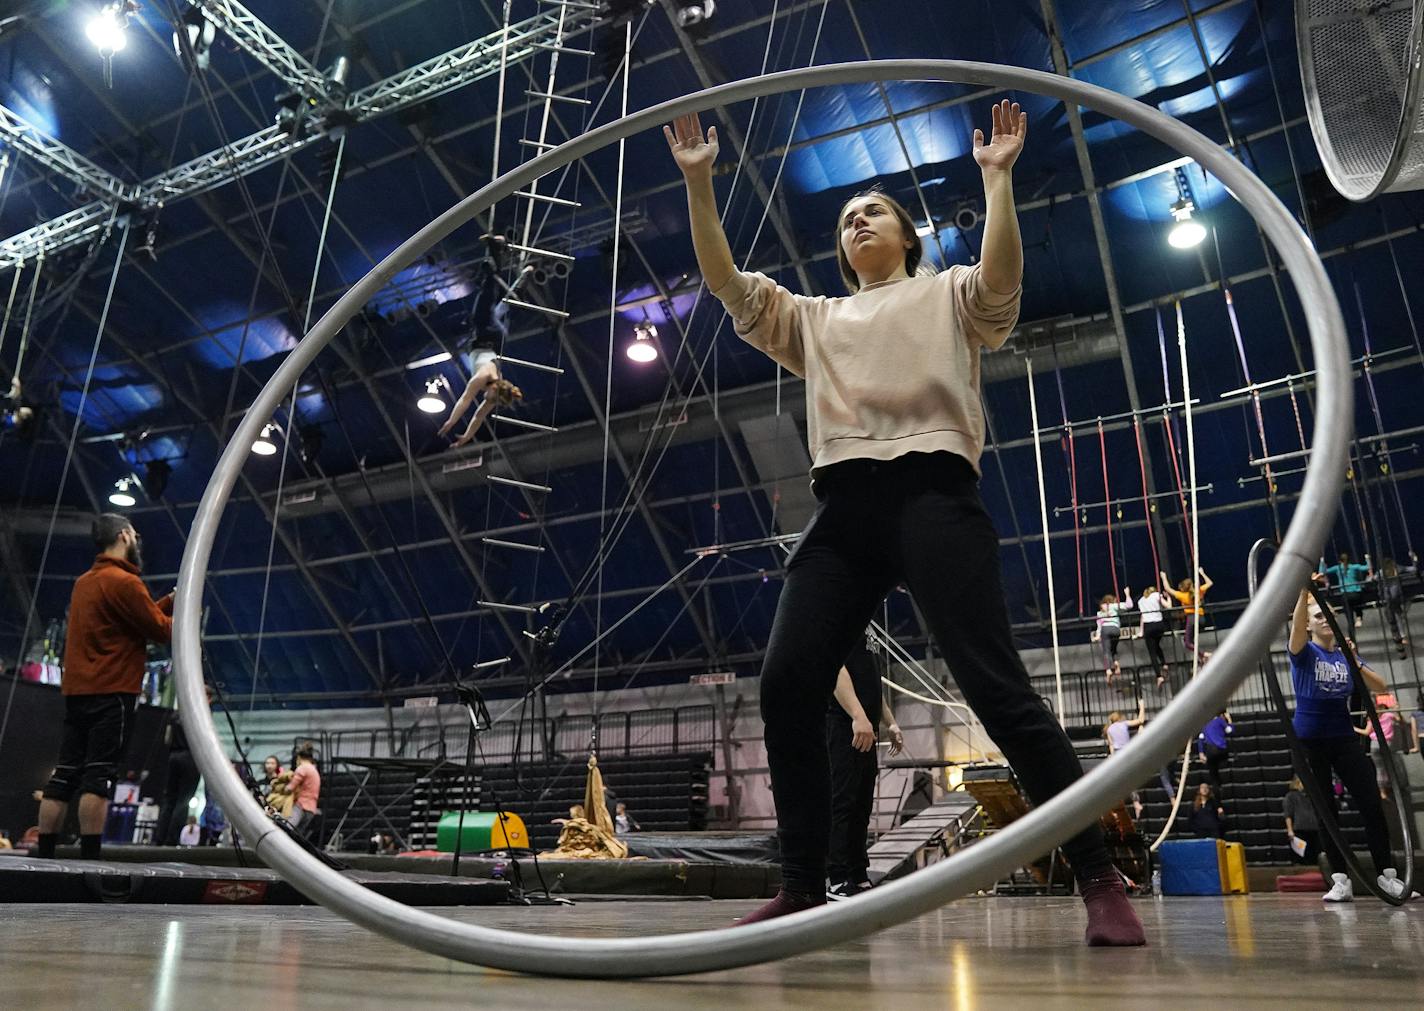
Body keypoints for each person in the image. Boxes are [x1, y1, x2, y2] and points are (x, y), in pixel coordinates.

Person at [666, 101, 1145, 944]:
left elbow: (1000, 283)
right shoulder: (814, 319)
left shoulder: (946, 293)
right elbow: (725, 282)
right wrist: (702, 184)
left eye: (873, 211)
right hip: (846, 508)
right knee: (786, 682)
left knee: (998, 689)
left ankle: (1098, 876)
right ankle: (804, 885)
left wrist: (996, 178)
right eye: (847, 218)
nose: (856, 221)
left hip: (934, 495)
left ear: (910, 237)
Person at [36, 514, 173, 861]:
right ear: (125, 536)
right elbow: (159, 629)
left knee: (65, 773)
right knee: (99, 775)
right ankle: (91, 859)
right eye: (135, 536)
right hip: (113, 691)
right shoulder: (125, 582)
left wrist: (166, 603)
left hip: (78, 691)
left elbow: (133, 619)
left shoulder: (85, 582)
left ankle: (46, 855)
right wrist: (180, 612)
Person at [1287, 575, 1410, 901]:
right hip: (1310, 741)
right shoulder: (1303, 652)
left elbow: (1380, 687)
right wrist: (1303, 592)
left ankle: (1387, 875)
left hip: (1342, 737)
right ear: (1310, 626)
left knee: (1371, 803)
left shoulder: (1344, 655)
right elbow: (1296, 627)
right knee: (1326, 810)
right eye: (1318, 616)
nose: (1325, 619)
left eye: (1329, 615)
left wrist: (1354, 658)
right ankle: (1340, 880)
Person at [826, 631, 904, 899]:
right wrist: (858, 716)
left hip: (867, 728)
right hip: (845, 724)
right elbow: (835, 668)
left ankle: (858, 875)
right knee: (843, 802)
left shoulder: (866, 628)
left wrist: (890, 721)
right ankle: (836, 878)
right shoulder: (840, 616)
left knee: (861, 805)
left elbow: (872, 684)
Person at [437, 234, 523, 448]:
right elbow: (465, 400)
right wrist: (451, 421)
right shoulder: (484, 376)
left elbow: (478, 417)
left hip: (493, 338)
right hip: (488, 335)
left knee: (497, 305)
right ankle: (496, 250)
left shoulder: (493, 394)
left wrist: (466, 437)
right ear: (496, 389)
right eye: (491, 397)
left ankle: (510, 270)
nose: (487, 399)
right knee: (486, 296)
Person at [157, 685, 211, 846]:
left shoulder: (175, 714)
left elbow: (167, 739)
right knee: (183, 800)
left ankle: (160, 837)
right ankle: (172, 839)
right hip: (190, 757)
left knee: (169, 799)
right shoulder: (200, 715)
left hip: (173, 756)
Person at [1161, 568, 1212, 662]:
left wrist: (1164, 578)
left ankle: (1204, 654)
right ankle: (1201, 658)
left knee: (1187, 642)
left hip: (1192, 618)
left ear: (1184, 588)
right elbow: (1209, 583)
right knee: (1191, 641)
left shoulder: (1183, 595)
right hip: (1201, 618)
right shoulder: (1198, 591)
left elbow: (1168, 589)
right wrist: (1202, 574)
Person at [1322, 552, 1372, 638]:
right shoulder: (1353, 567)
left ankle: (1352, 639)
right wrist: (1367, 559)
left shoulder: (1337, 568)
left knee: (1350, 620)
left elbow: (1323, 572)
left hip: (1345, 595)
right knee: (1358, 603)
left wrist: (1322, 563)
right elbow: (1368, 568)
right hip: (1356, 594)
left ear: (1339, 560)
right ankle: (1359, 616)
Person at [1137, 584, 1172, 688]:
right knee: (1156, 645)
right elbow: (1168, 606)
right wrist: (1168, 597)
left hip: (1148, 626)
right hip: (1159, 625)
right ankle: (1164, 664)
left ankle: (1159, 676)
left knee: (1152, 652)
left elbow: (1143, 616)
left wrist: (1141, 631)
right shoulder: (1157, 595)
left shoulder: (1141, 601)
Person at [1095, 589, 1132, 685]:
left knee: (1106, 651)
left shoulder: (1099, 612)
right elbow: (1129, 605)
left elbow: (1099, 626)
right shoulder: (1114, 606)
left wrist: (1098, 635)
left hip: (1105, 629)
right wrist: (1127, 594)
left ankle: (1108, 670)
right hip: (1116, 630)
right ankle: (1115, 662)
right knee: (1113, 649)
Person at [1283, 775, 1320, 864]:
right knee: (1302, 856)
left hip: (1314, 828)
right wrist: (1290, 830)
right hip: (1300, 829)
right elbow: (1288, 815)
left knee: (1315, 855)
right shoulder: (1290, 796)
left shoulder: (1311, 795)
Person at [1195, 709, 1233, 794]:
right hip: (1221, 750)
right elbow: (1230, 731)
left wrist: (1201, 753)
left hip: (1210, 751)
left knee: (1213, 772)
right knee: (1222, 763)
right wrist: (1229, 720)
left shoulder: (1205, 725)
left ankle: (1217, 789)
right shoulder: (1220, 721)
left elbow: (1200, 739)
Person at [287, 744, 321, 836]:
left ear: (298, 758)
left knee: (287, 828)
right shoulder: (314, 770)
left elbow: (290, 788)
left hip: (301, 805)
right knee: (297, 835)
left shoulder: (302, 768)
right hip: (311, 808)